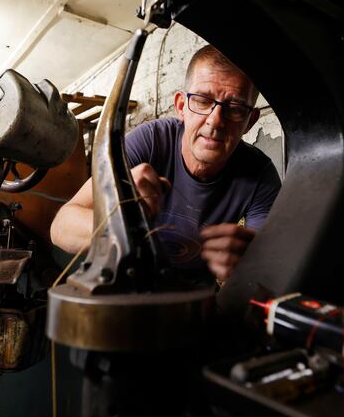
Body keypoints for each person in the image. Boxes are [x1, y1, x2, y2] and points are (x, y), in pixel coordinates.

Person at [50, 45, 281, 280]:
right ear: (181, 106)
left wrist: (251, 262)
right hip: (125, 290)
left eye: (234, 108)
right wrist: (121, 220)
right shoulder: (150, 141)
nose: (215, 121)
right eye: (202, 100)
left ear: (250, 121)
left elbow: (267, 269)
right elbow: (61, 228)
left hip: (194, 302)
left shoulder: (260, 175)